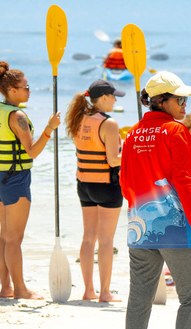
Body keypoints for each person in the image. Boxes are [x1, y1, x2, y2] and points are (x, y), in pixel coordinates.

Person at [121, 71, 191, 329]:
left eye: (186, 100)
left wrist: (141, 213)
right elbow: (184, 182)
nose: (185, 105)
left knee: (139, 298)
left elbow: (125, 184)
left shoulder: (132, 134)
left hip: (139, 228)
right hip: (175, 229)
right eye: (180, 99)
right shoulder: (176, 130)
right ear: (161, 100)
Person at [0, 61, 60, 299]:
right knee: (14, 239)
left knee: (5, 236)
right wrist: (50, 128)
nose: (29, 90)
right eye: (25, 86)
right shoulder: (17, 115)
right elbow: (32, 151)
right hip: (16, 178)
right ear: (12, 90)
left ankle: (5, 287)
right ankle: (20, 289)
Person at [64, 79, 125, 302]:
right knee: (106, 240)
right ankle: (105, 292)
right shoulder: (109, 123)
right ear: (103, 98)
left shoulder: (79, 119)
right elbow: (113, 159)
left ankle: (89, 291)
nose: (116, 100)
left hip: (84, 186)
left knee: (88, 238)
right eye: (114, 96)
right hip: (106, 186)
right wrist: (132, 151)